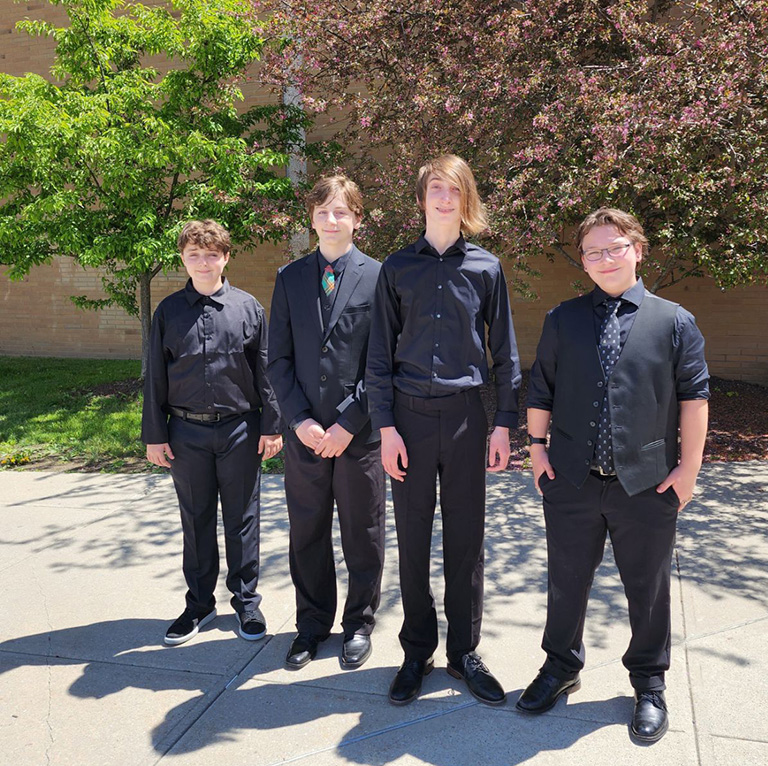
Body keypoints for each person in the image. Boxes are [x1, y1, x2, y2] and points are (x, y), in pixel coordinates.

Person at [518, 207, 709, 743]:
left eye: (615, 247)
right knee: (566, 581)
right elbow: (541, 391)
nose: (604, 258)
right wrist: (536, 452)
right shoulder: (563, 318)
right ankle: (560, 667)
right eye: (593, 252)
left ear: (638, 250)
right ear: (583, 262)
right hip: (572, 480)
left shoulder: (674, 321)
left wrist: (688, 470)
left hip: (646, 484)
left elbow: (695, 400)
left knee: (646, 589)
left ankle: (648, 684)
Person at [367, 154, 521, 706]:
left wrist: (503, 424)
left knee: (466, 541)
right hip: (407, 419)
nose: (444, 198)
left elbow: (504, 354)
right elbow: (378, 358)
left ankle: (464, 652)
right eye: (436, 187)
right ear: (422, 197)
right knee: (412, 539)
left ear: (466, 199)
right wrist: (385, 429)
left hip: (464, 418)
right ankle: (416, 650)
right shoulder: (396, 269)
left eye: (455, 190)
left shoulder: (486, 268)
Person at [142, 219, 283, 646]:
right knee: (196, 519)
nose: (203, 262)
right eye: (193, 255)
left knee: (243, 519)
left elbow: (267, 372)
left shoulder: (248, 308)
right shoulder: (168, 312)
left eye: (211, 254)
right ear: (182, 259)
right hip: (185, 433)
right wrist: (154, 435)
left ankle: (247, 603)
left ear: (226, 257)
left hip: (241, 429)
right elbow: (155, 378)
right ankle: (199, 604)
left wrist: (273, 426)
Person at [268, 176, 385, 670]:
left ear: (358, 218)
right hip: (305, 438)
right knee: (308, 533)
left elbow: (383, 361)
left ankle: (358, 625)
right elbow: (278, 359)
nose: (331, 221)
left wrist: (346, 424)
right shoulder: (290, 277)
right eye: (322, 213)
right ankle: (312, 625)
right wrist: (298, 420)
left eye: (340, 212)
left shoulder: (381, 277)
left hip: (358, 438)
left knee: (363, 533)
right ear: (311, 219)